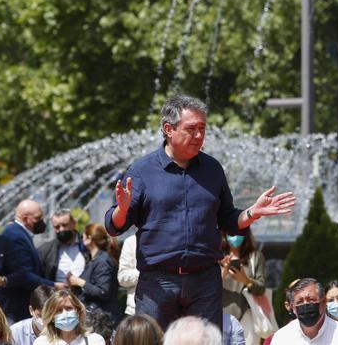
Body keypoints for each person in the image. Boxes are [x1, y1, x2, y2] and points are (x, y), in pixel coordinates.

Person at [104, 95, 296, 330]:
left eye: (202, 129)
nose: (199, 136)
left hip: (204, 281)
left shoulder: (212, 169)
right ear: (168, 129)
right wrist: (122, 209)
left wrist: (252, 213)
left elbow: (228, 219)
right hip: (158, 282)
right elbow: (115, 226)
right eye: (191, 129)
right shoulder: (142, 171)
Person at [2, 200, 63, 322]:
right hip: (18, 307)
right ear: (25, 219)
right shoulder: (15, 235)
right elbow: (24, 276)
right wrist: (54, 285)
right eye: (38, 218)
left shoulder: (20, 233)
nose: (42, 221)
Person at [272, 278, 338, 345]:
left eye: (311, 300)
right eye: (299, 302)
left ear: (324, 302)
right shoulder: (281, 338)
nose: (305, 305)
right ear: (292, 307)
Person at [65, 224, 120, 321]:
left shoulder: (103, 261)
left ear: (89, 239)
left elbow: (103, 292)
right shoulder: (94, 259)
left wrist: (80, 282)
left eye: (83, 236)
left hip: (102, 319)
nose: (82, 239)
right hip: (94, 315)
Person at [221, 229, 266, 345]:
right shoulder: (217, 256)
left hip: (248, 317)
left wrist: (245, 280)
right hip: (220, 317)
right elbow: (205, 288)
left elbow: (261, 289)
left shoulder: (255, 257)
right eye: (231, 232)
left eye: (239, 233)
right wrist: (223, 273)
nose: (235, 236)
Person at [37, 210, 90, 286]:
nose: (61, 229)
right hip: (57, 294)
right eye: (57, 227)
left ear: (74, 224)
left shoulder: (88, 245)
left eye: (65, 225)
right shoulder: (45, 250)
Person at [33, 290, 104, 345]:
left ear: (78, 311)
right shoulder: (41, 342)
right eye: (58, 311)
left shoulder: (94, 340)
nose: (65, 314)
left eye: (69, 308)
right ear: (51, 317)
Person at [117, 236, 138, 316]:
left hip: (170, 308)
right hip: (136, 310)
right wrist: (145, 273)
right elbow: (122, 277)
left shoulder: (174, 236)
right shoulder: (131, 241)